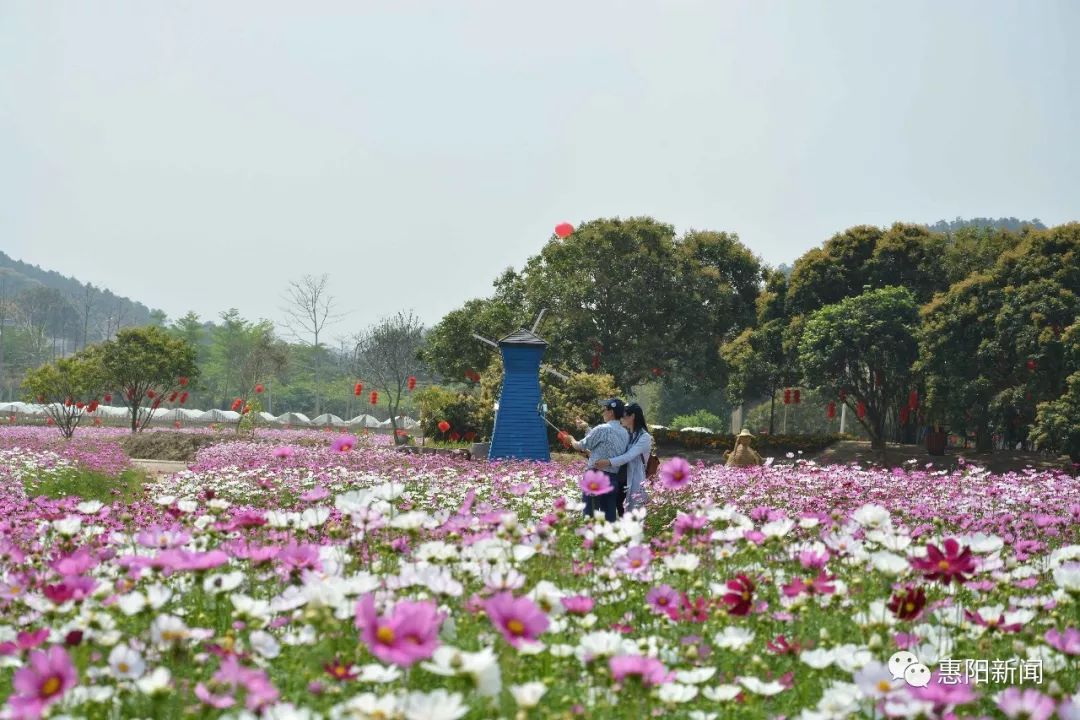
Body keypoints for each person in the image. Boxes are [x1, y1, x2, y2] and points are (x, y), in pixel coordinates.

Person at [568, 398, 630, 521]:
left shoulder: (602, 428)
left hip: (595, 476)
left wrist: (570, 439)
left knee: (590, 516)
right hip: (612, 478)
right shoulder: (625, 433)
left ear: (611, 412)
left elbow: (580, 445)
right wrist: (586, 428)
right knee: (609, 517)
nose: (602, 412)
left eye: (604, 409)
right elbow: (606, 447)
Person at [593, 402, 652, 514]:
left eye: (624, 415)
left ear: (632, 416)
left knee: (632, 516)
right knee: (619, 512)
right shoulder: (627, 434)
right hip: (619, 479)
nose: (621, 418)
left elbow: (628, 456)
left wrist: (608, 462)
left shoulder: (644, 437)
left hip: (633, 480)